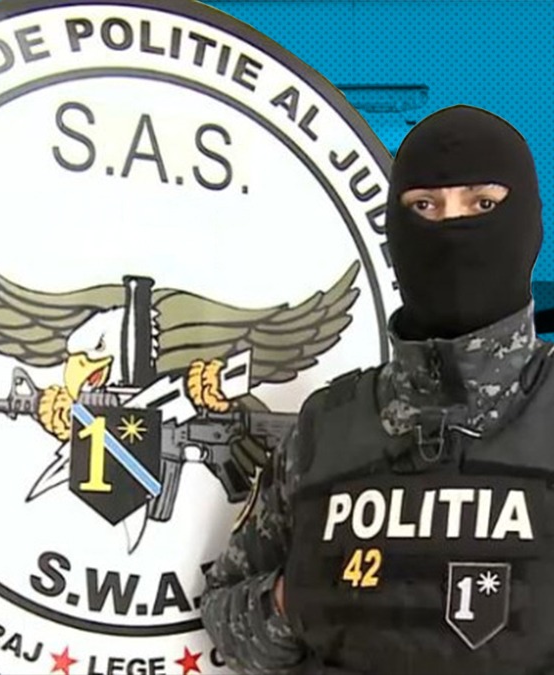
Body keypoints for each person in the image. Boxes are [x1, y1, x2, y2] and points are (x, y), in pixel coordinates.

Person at [199, 104, 550, 674]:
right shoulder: (326, 428)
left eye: (482, 204)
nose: (451, 229)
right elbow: (227, 616)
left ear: (528, 225)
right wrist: (296, 598)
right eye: (424, 206)